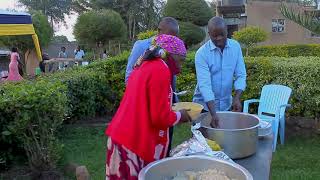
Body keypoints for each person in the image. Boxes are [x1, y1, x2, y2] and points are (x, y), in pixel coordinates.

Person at [105, 35, 191, 180]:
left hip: (121, 136)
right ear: (169, 55)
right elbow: (159, 117)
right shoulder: (161, 69)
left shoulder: (146, 64)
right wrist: (180, 115)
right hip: (133, 141)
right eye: (180, 60)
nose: (180, 67)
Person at [125, 17, 180, 157]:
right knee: (148, 148)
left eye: (175, 37)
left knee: (165, 145)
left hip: (166, 106)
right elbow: (129, 77)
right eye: (169, 36)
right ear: (159, 31)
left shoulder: (170, 51)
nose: (172, 41)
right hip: (146, 111)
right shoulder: (141, 46)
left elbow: (170, 79)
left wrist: (175, 102)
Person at [193, 17, 247, 128]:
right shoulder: (202, 54)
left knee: (223, 140)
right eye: (214, 36)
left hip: (226, 104)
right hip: (204, 107)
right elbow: (205, 85)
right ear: (209, 34)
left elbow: (241, 75)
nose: (219, 39)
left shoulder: (235, 47)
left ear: (227, 30)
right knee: (203, 142)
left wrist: (237, 98)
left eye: (222, 34)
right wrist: (213, 113)